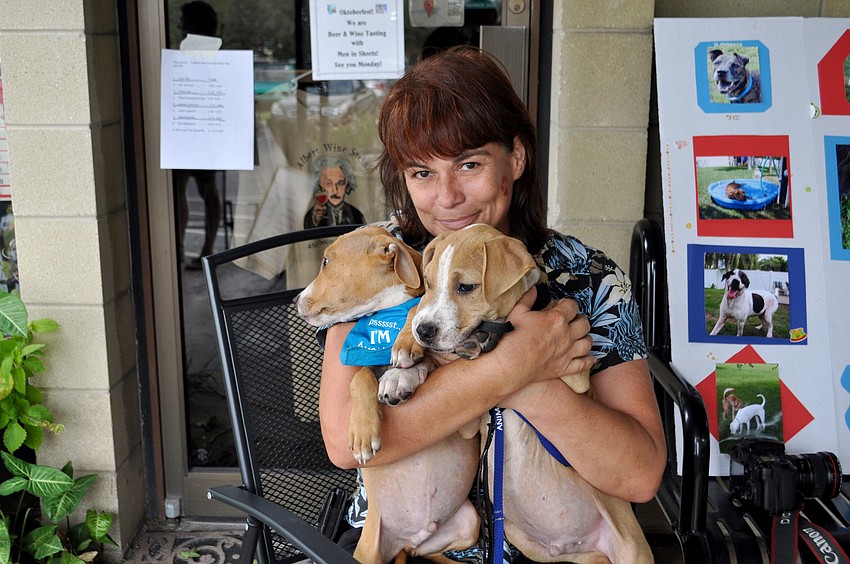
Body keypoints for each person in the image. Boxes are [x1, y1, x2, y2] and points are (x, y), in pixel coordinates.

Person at [317, 46, 665, 562]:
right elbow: (347, 446)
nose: (448, 197)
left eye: (469, 164)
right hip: (401, 542)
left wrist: (534, 391)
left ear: (516, 158)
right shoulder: (383, 262)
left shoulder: (588, 279)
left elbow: (639, 475)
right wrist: (513, 365)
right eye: (422, 173)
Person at [174, 0, 222, 269]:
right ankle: (199, 250)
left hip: (199, 127)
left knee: (200, 191)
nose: (179, 25)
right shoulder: (208, 52)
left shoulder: (205, 53)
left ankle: (198, 250)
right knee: (201, 191)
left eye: (183, 19)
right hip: (193, 128)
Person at [303, 156, 366, 228]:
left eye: (340, 183)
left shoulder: (356, 214)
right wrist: (315, 222)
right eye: (329, 184)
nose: (335, 191)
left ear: (347, 185)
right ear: (321, 186)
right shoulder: (312, 217)